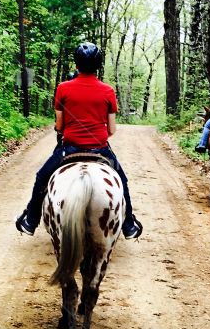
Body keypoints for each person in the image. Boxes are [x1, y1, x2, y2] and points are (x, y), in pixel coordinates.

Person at [15, 42, 143, 238]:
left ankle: (31, 220)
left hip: (69, 149)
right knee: (122, 180)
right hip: (100, 149)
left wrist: (66, 129)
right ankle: (128, 224)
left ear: (76, 64)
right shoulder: (108, 91)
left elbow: (59, 125)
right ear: (98, 66)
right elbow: (112, 129)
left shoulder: (63, 88)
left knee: (42, 177)